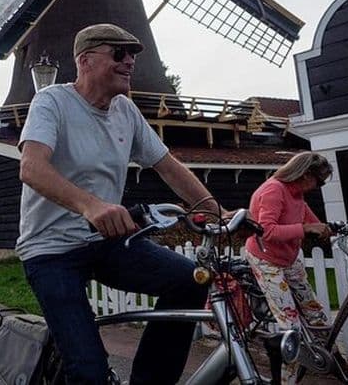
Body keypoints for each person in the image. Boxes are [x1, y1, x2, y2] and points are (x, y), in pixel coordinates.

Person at [17, 23, 225, 385]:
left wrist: (220, 213)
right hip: (51, 251)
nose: (129, 61)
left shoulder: (125, 112)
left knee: (190, 281)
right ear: (85, 60)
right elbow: (32, 167)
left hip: (105, 243)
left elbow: (168, 166)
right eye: (118, 53)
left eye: (132, 55)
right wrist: (91, 206)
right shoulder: (51, 101)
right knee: (88, 372)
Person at [244, 152, 333, 385]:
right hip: (266, 259)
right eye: (319, 181)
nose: (318, 186)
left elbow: (308, 219)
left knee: (315, 314)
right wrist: (307, 230)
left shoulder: (297, 194)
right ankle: (286, 381)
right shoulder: (273, 190)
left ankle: (335, 364)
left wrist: (327, 229)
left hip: (289, 258)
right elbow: (267, 231)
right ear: (305, 174)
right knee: (290, 326)